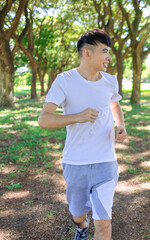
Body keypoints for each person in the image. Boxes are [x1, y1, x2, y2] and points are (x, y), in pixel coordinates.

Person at [38, 29, 127, 240]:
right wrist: (77, 116)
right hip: (75, 162)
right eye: (104, 51)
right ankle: (81, 226)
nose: (109, 57)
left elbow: (114, 104)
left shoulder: (110, 81)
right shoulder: (64, 80)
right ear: (87, 53)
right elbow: (44, 120)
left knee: (104, 224)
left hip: (106, 162)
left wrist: (121, 125)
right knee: (77, 214)